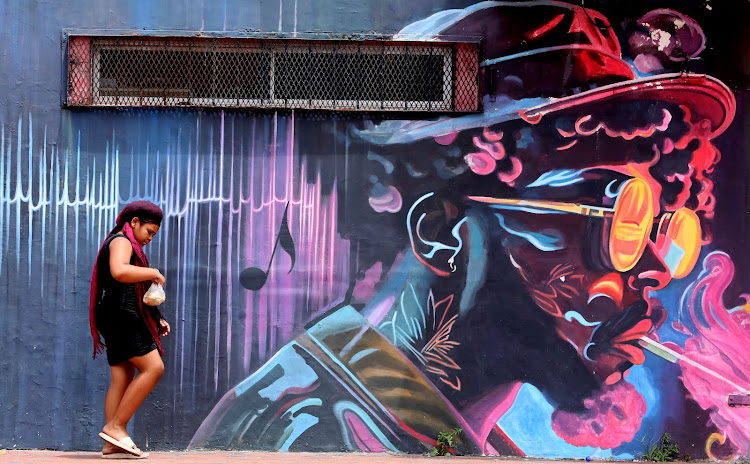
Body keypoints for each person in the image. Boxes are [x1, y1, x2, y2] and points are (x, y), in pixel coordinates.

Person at [189, 1, 739, 456]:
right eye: (621, 217)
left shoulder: (439, 436)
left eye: (664, 229)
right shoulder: (307, 438)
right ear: (440, 232)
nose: (654, 270)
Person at [89, 201, 170, 458]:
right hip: (121, 316)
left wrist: (156, 317)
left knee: (121, 378)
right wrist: (153, 273)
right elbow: (120, 271)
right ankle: (116, 426)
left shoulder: (124, 241)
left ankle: (112, 443)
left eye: (154, 235)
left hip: (114, 314)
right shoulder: (121, 241)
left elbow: (129, 289)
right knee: (153, 367)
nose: (149, 238)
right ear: (134, 222)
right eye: (149, 231)